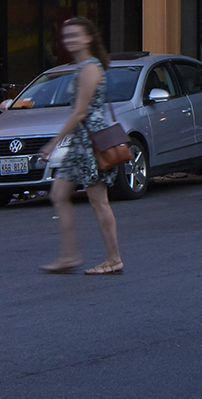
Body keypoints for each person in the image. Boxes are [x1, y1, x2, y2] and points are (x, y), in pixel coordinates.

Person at [39, 16, 123, 276]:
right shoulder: (82, 66)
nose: (70, 40)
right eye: (67, 36)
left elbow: (79, 112)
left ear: (88, 38)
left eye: (75, 35)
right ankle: (69, 255)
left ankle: (113, 258)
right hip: (80, 142)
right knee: (58, 195)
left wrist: (52, 144)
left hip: (90, 141)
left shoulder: (89, 68)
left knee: (99, 201)